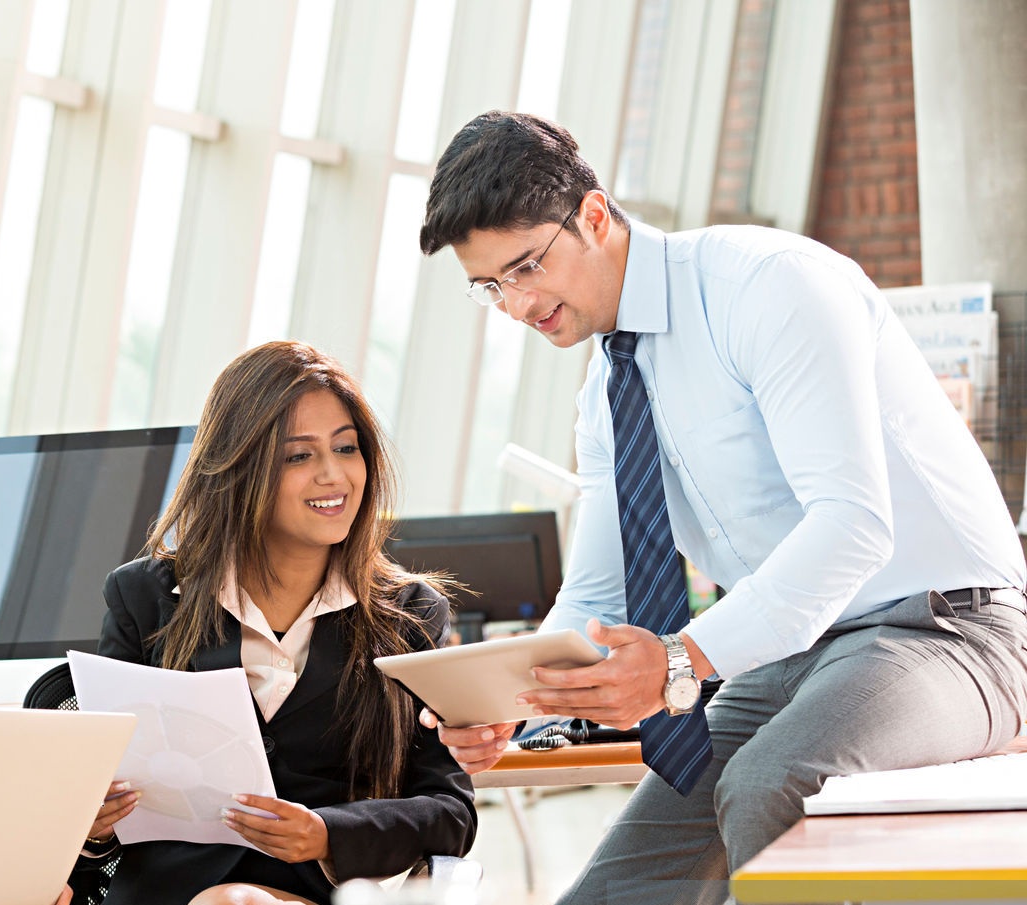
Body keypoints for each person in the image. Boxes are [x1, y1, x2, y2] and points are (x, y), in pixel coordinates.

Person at [415, 111, 1027, 904]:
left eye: (526, 267)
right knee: (616, 891)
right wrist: (510, 706)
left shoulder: (767, 286)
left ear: (593, 216)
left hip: (949, 626)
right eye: (491, 286)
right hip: (785, 657)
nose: (517, 305)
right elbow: (598, 598)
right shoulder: (605, 394)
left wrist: (680, 660)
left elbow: (853, 524)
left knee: (773, 784)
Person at [77, 341, 478, 905]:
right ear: (240, 466)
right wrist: (90, 822)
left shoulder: (410, 615)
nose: (334, 476)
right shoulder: (145, 597)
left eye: (347, 448)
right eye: (299, 456)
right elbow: (90, 787)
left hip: (312, 891)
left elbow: (449, 814)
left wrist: (327, 834)